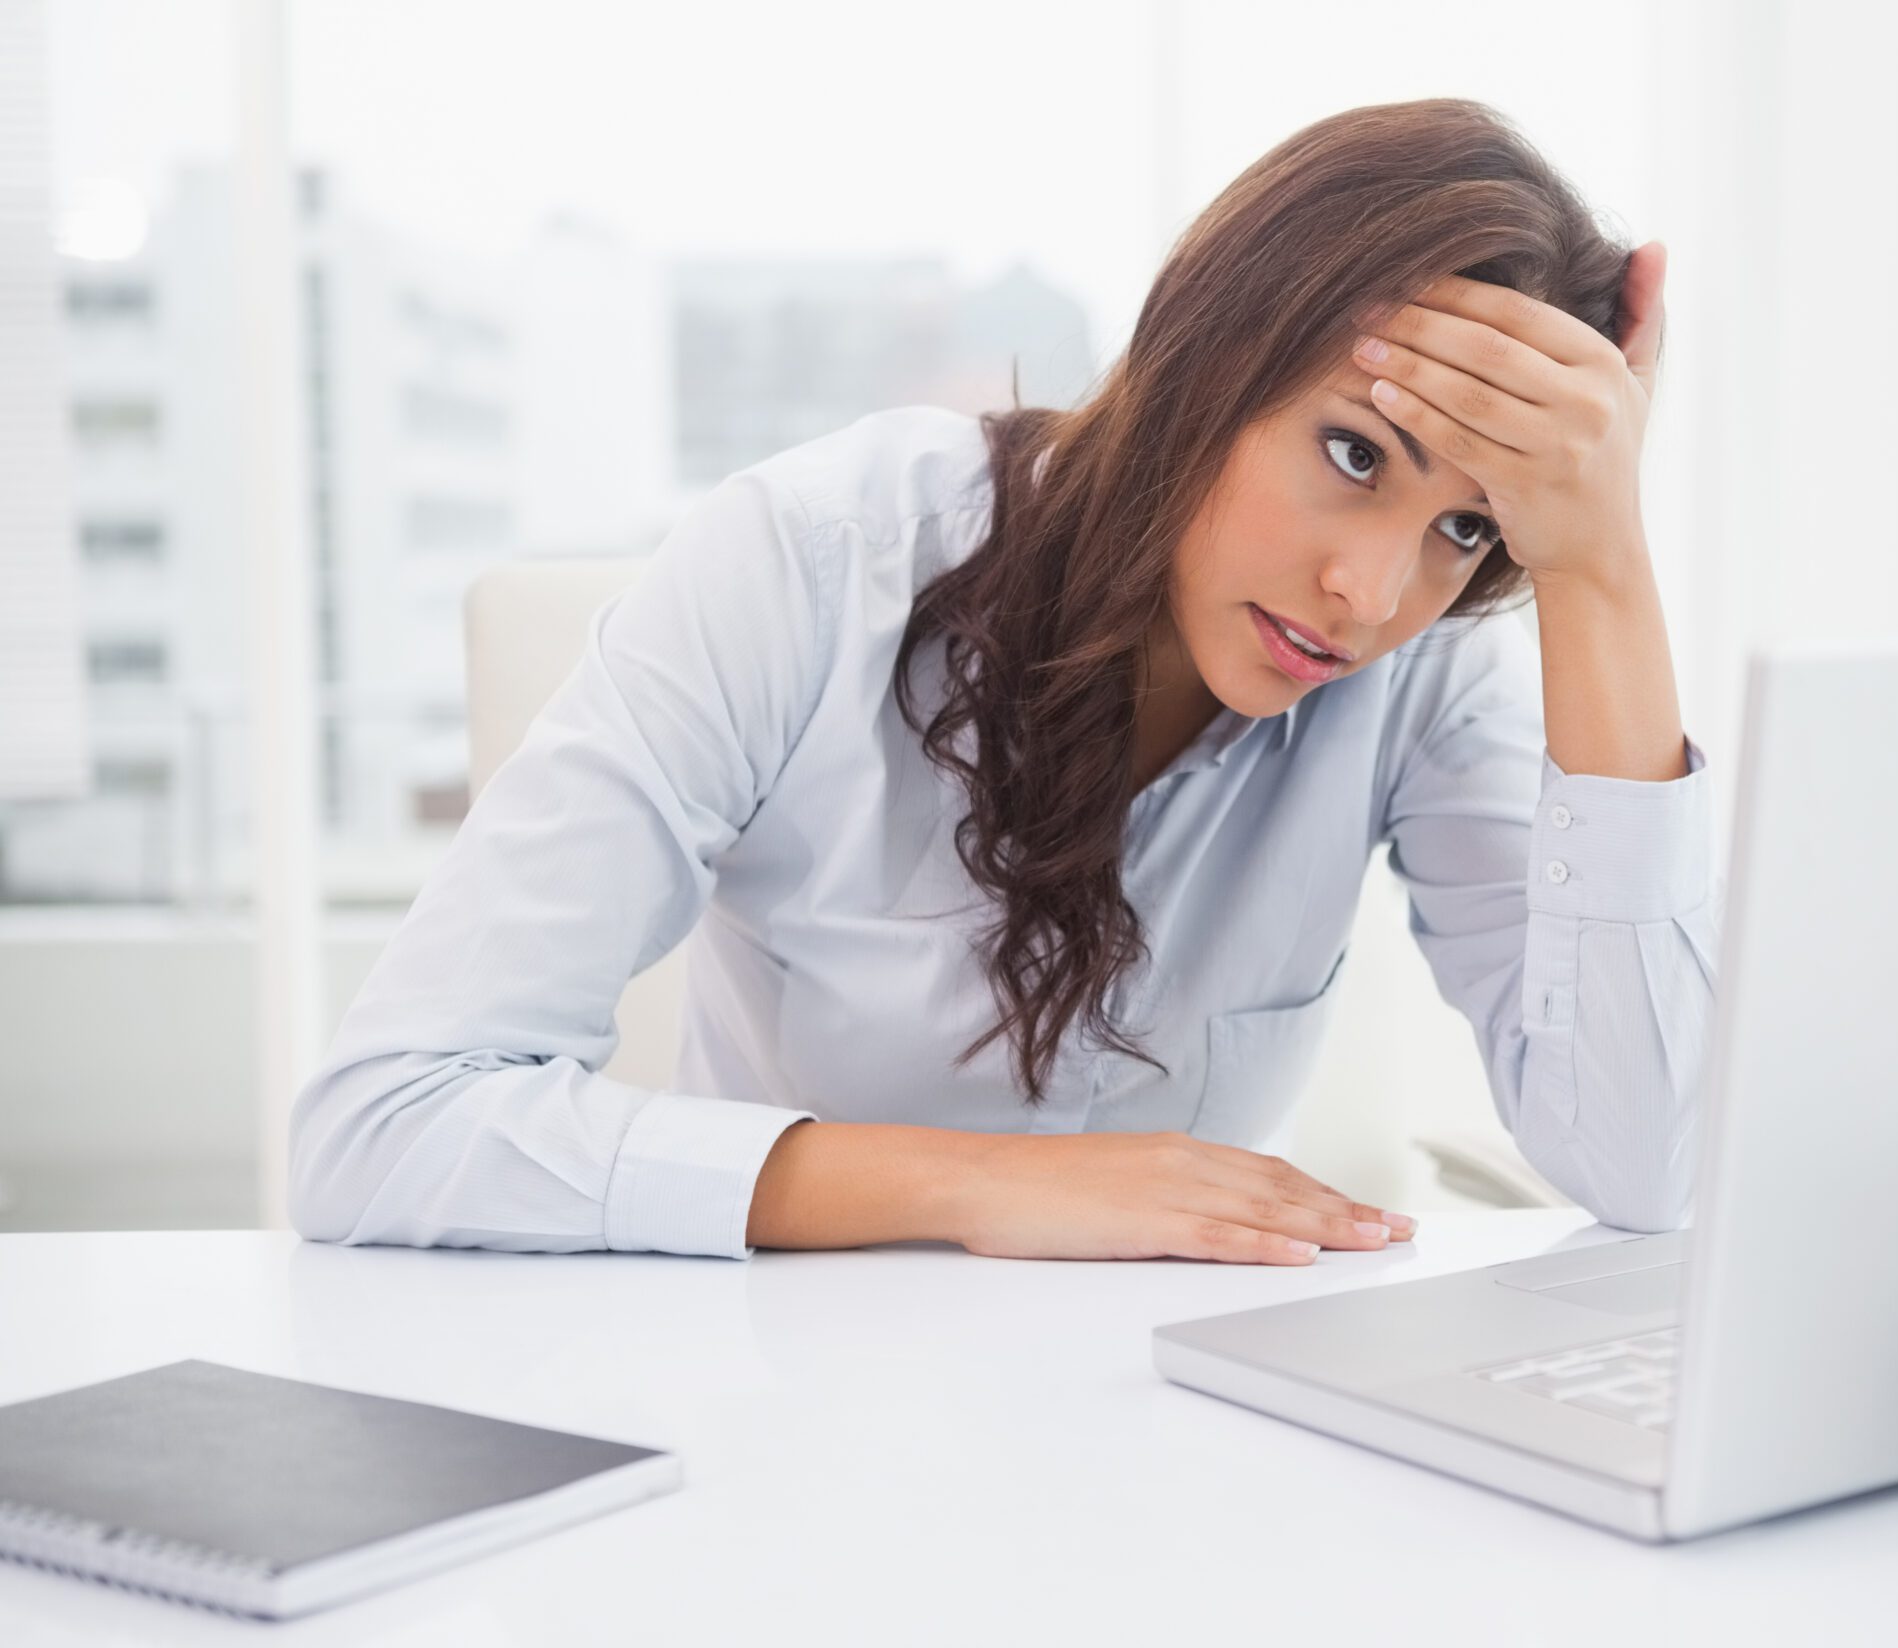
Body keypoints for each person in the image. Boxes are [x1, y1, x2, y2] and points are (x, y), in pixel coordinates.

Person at [287, 97, 1717, 1265]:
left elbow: (1646, 1162)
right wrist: (974, 1186)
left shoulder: (1421, 679)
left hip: (1177, 1451)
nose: (1376, 593)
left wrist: (1600, 566)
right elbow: (387, 1124)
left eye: (1468, 528)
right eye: (1354, 456)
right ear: (1205, 358)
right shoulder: (811, 562)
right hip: (788, 1420)